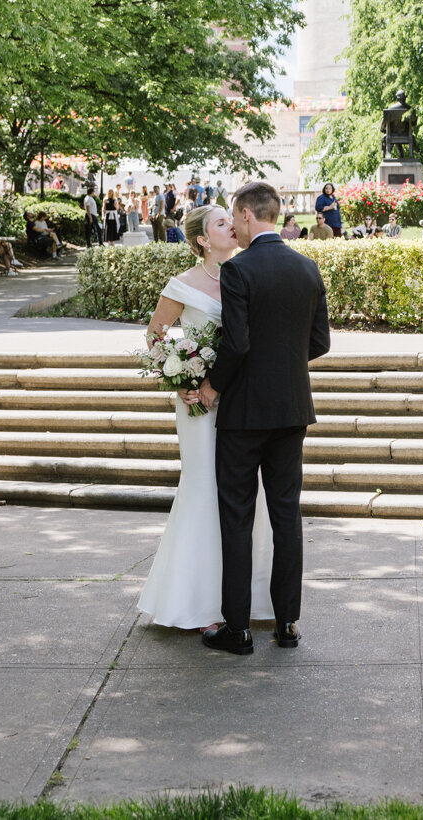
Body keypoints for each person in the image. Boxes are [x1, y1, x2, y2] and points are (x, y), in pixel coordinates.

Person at [190, 180, 331, 656]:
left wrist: (211, 386)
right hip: (292, 410)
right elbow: (319, 344)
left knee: (238, 518)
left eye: (235, 215)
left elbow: (236, 344)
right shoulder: (308, 267)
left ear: (248, 215)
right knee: (286, 516)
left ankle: (239, 630)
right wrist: (283, 365)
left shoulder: (239, 270)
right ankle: (288, 623)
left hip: (245, 413)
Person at [138, 205, 275, 631]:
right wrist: (178, 373)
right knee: (204, 489)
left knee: (249, 493)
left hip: (244, 401)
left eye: (231, 220)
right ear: (201, 239)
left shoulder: (247, 272)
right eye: (221, 223)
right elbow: (155, 334)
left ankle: (250, 599)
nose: (231, 226)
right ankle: (198, 603)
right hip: (200, 403)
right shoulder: (182, 284)